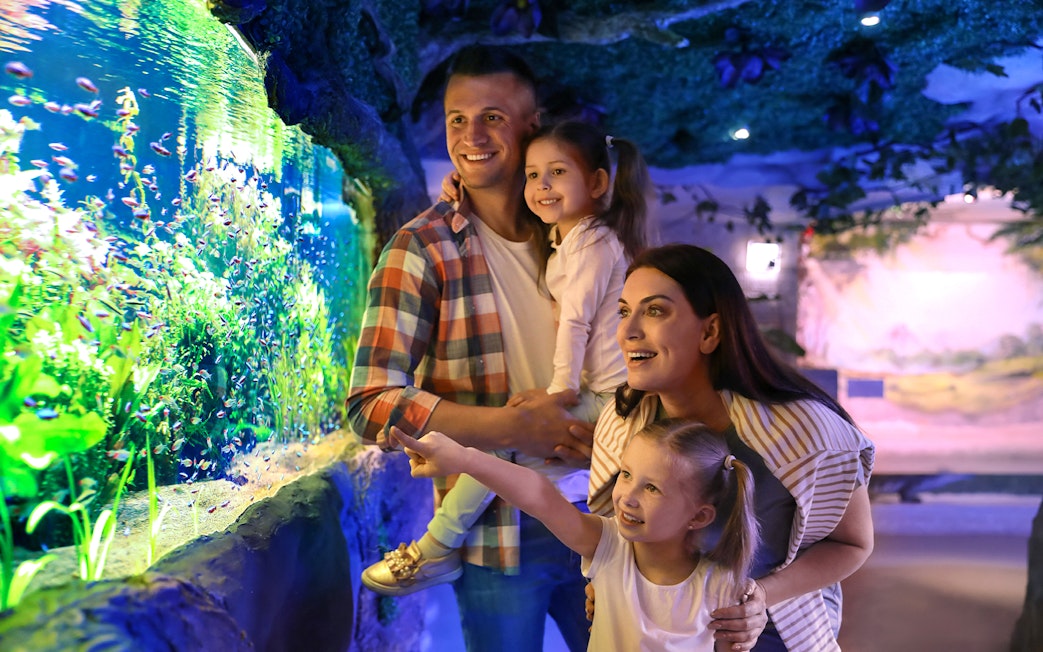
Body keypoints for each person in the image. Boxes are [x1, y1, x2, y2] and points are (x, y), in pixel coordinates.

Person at [345, 44, 594, 651]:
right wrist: (512, 428)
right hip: (496, 532)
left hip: (609, 510)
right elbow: (370, 403)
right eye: (458, 118)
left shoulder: (584, 231)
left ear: (531, 127)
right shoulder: (421, 247)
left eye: (493, 117)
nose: (471, 135)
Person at [361, 119, 652, 599]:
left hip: (610, 396)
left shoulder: (593, 242)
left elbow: (576, 321)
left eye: (556, 173)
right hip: (602, 399)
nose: (541, 187)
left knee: (503, 441)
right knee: (518, 444)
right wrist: (459, 195)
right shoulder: (569, 236)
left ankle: (435, 547)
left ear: (598, 183)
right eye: (533, 176)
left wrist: (559, 392)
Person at [589, 243, 875, 652]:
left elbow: (853, 544)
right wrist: (608, 580)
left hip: (768, 639)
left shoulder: (803, 431)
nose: (627, 331)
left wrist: (761, 595)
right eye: (623, 311)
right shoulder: (622, 422)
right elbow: (613, 537)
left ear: (710, 331)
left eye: (654, 311)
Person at [387, 418, 761, 652]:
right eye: (626, 475)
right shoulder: (608, 545)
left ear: (699, 515)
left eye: (652, 489)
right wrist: (464, 458)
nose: (626, 497)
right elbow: (539, 495)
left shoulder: (723, 587)